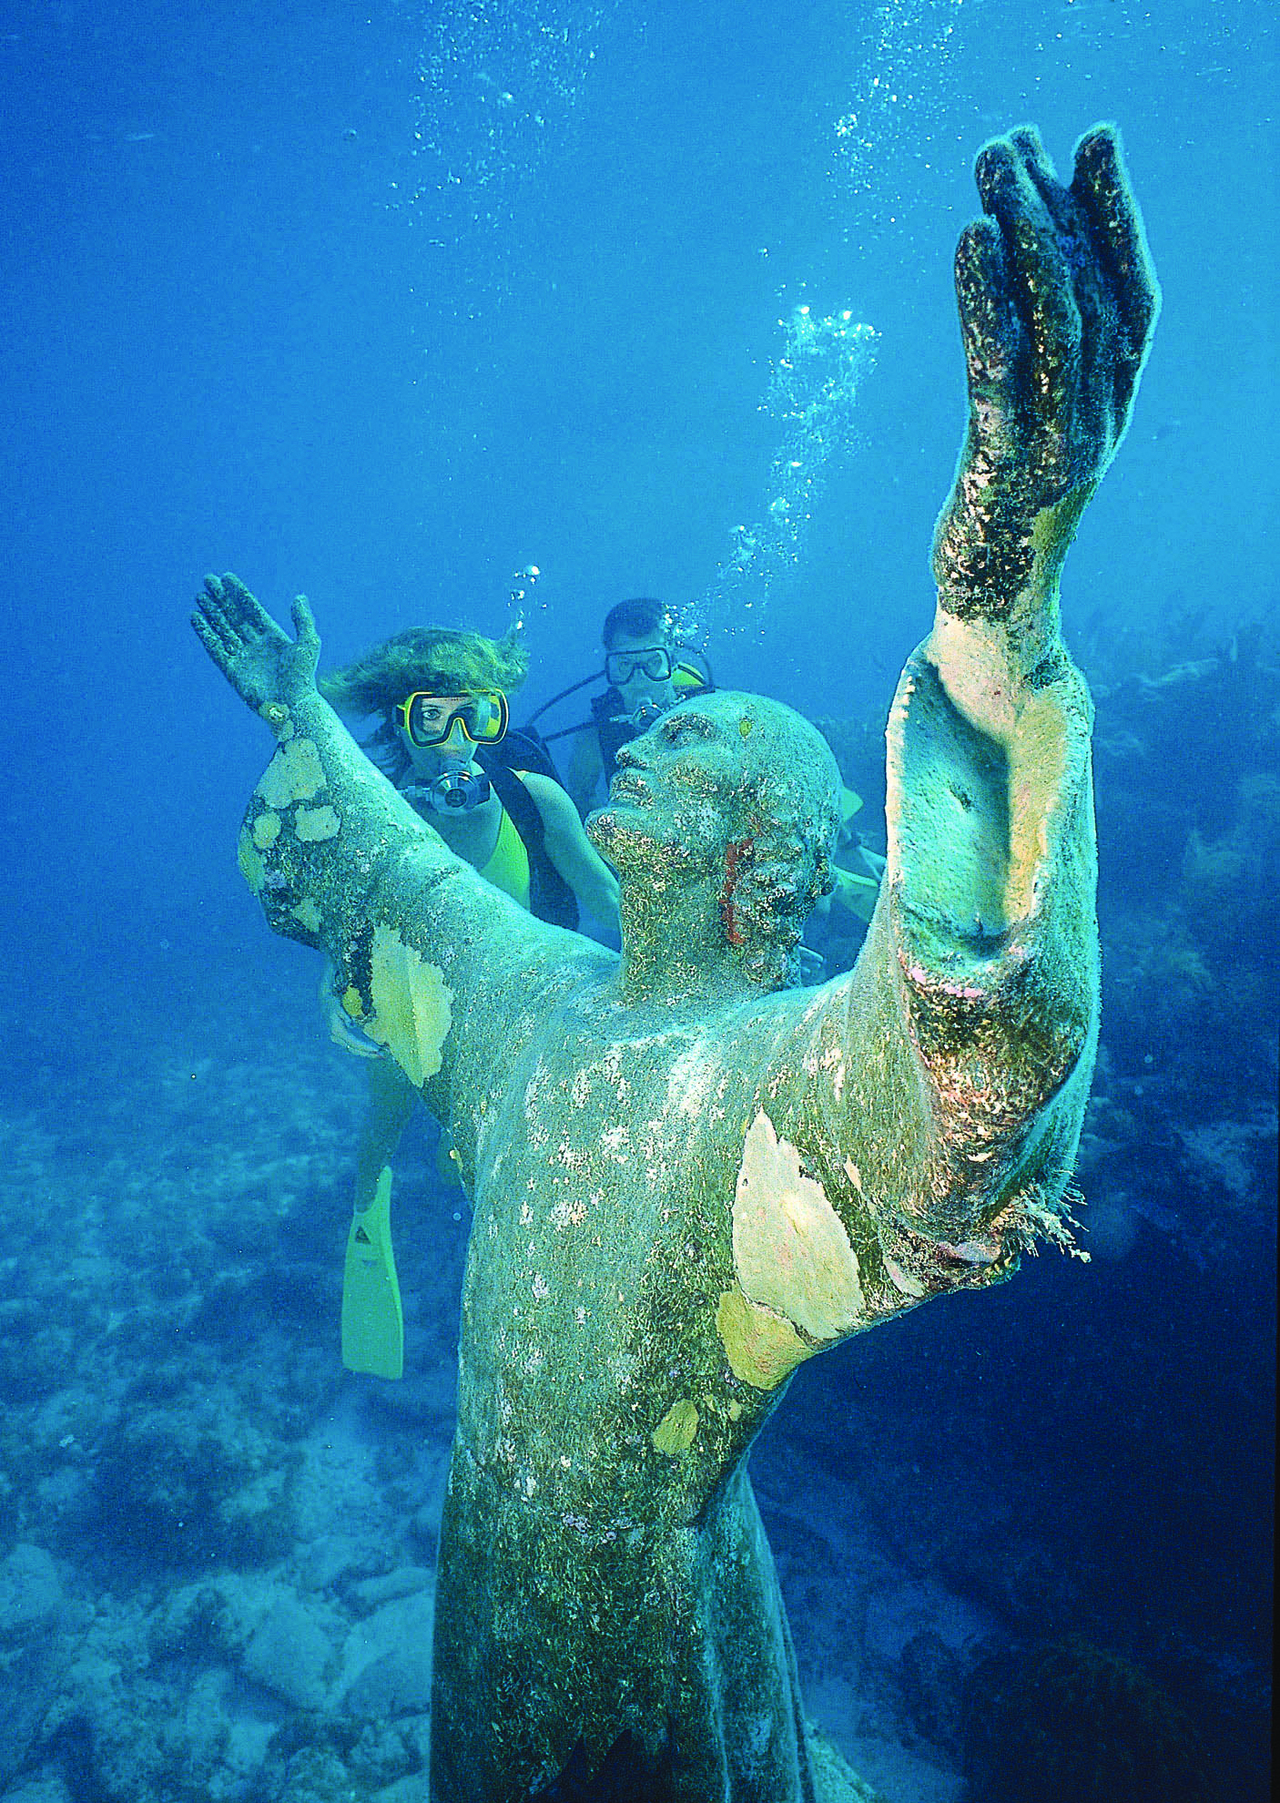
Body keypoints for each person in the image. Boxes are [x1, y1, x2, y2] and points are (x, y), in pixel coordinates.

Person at [193, 123, 1158, 1803]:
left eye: (707, 740)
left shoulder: (775, 1071)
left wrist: (1011, 586)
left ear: (772, 853)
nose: (651, 739)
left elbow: (982, 1033)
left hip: (643, 1643)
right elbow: (411, 870)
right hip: (481, 1593)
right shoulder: (530, 993)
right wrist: (300, 710)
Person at [317, 624, 620, 1378]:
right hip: (410, 1006)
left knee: (484, 1146)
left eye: (478, 716)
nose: (456, 739)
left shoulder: (536, 796)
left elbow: (606, 898)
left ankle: (497, 1249)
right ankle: (367, 1209)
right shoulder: (373, 814)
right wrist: (336, 994)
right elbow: (341, 927)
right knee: (386, 1115)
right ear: (397, 722)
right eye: (431, 717)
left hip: (517, 1005)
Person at [559, 597, 712, 816]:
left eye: (653, 662)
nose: (640, 680)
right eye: (625, 665)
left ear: (673, 660)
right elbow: (581, 795)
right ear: (609, 667)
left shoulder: (707, 711)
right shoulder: (594, 734)